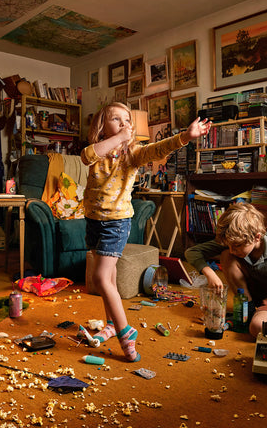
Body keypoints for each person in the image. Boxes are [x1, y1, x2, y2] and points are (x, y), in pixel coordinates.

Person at [81, 102, 212, 362]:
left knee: (100, 278)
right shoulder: (97, 152)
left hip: (116, 223)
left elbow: (159, 148)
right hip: (93, 220)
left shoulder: (134, 153)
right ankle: (109, 323)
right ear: (101, 126)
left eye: (126, 120)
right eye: (115, 119)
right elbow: (87, 156)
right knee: (111, 274)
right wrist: (117, 138)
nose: (122, 123)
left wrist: (186, 136)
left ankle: (124, 332)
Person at [184, 201, 267, 338]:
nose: (232, 249)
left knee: (257, 327)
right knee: (226, 255)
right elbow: (192, 252)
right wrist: (209, 273)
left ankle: (257, 316)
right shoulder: (234, 240)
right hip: (254, 292)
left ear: (257, 237)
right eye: (229, 245)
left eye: (236, 246)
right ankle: (248, 309)